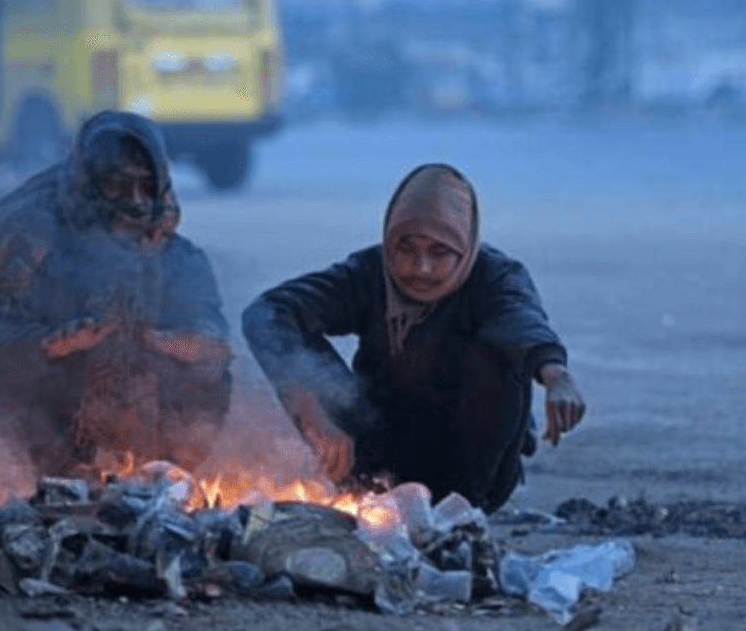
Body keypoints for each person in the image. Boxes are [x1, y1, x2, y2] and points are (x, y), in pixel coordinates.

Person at [242, 163, 585, 513]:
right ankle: (368, 497)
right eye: (407, 248)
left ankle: (461, 515)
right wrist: (311, 412)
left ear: (464, 247)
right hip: (378, 459)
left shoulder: (493, 277)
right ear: (390, 240)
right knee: (300, 350)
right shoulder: (369, 273)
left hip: (467, 467)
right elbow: (268, 313)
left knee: (497, 357)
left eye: (439, 253)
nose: (421, 268)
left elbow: (520, 320)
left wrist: (555, 373)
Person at [0, 110, 231, 474]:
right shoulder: (26, 236)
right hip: (32, 412)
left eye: (146, 185)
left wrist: (169, 343)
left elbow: (211, 337)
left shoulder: (170, 244)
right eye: (118, 184)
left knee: (202, 369)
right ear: (89, 182)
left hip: (121, 407)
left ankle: (154, 476)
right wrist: (55, 345)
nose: (136, 202)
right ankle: (36, 479)